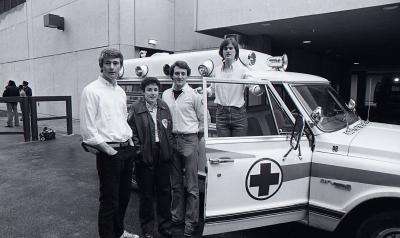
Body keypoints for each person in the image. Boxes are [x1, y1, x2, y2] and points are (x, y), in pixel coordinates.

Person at [80, 48, 138, 238]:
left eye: (116, 63)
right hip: (109, 152)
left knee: (123, 199)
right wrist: (108, 151)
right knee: (109, 202)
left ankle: (119, 232)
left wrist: (130, 144)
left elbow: (121, 121)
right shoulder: (91, 90)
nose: (112, 67)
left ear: (121, 67)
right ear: (101, 66)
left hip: (126, 150)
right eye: (108, 63)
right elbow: (88, 130)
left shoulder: (120, 91)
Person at [162, 61, 204, 238]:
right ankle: (176, 217)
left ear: (187, 75)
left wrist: (194, 139)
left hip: (189, 140)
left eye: (183, 74)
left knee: (192, 186)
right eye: (176, 73)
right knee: (176, 184)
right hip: (172, 140)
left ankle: (191, 222)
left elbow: (203, 120)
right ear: (172, 75)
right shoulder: (165, 94)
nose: (179, 77)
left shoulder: (194, 95)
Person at [128, 77, 173, 238]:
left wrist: (169, 149)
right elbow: (131, 132)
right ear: (143, 91)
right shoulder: (135, 108)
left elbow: (169, 130)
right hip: (144, 155)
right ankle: (147, 229)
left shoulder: (164, 106)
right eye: (149, 90)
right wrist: (139, 152)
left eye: (155, 90)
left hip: (163, 154)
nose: (153, 93)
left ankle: (165, 226)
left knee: (164, 192)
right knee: (146, 194)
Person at [203, 38, 264, 137]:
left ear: (236, 52)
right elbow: (212, 90)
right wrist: (204, 91)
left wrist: (261, 88)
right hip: (221, 114)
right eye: (225, 48)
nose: (228, 51)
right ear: (221, 52)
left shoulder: (243, 70)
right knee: (224, 149)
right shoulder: (217, 71)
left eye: (231, 48)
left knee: (237, 148)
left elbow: (254, 88)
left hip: (238, 114)